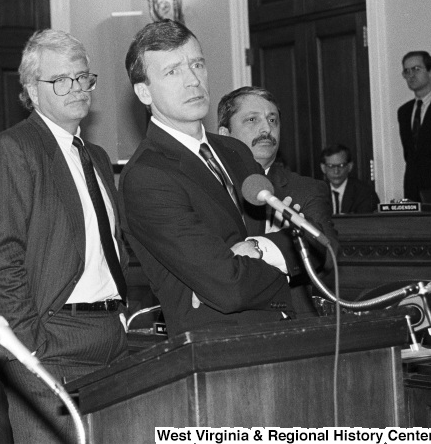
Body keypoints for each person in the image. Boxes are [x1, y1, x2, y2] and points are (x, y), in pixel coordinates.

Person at [0, 29, 129, 443]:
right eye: (61, 80)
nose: (77, 89)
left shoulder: (97, 157)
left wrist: (121, 315)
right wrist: (29, 346)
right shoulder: (12, 150)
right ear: (33, 91)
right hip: (51, 342)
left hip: (111, 337)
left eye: (83, 77)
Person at [120, 20, 299, 335]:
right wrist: (282, 262)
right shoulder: (147, 176)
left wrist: (257, 249)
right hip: (219, 352)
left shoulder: (235, 151)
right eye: (173, 71)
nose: (192, 80)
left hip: (285, 333)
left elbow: (316, 247)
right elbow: (229, 288)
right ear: (144, 92)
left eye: (197, 64)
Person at [217, 86, 338, 316]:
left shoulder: (305, 190)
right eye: (252, 119)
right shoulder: (210, 189)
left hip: (289, 323)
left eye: (272, 119)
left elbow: (329, 256)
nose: (266, 129)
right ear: (224, 134)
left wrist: (263, 246)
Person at [398, 50, 431, 202]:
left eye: (416, 69)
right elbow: (410, 154)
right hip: (413, 190)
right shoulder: (404, 111)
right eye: (407, 71)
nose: (411, 75)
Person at [320, 143, 379, 214]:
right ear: (323, 168)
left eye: (341, 165)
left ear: (349, 166)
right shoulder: (316, 192)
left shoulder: (365, 193)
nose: (336, 171)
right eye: (331, 166)